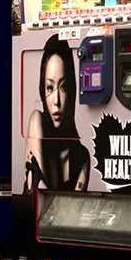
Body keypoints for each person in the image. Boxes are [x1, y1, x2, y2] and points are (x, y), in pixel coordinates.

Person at [24, 34, 90, 193]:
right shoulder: (36, 120)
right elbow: (38, 188)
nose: (56, 101)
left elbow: (77, 207)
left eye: (64, 87)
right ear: (42, 89)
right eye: (49, 87)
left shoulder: (82, 156)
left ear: (73, 90)